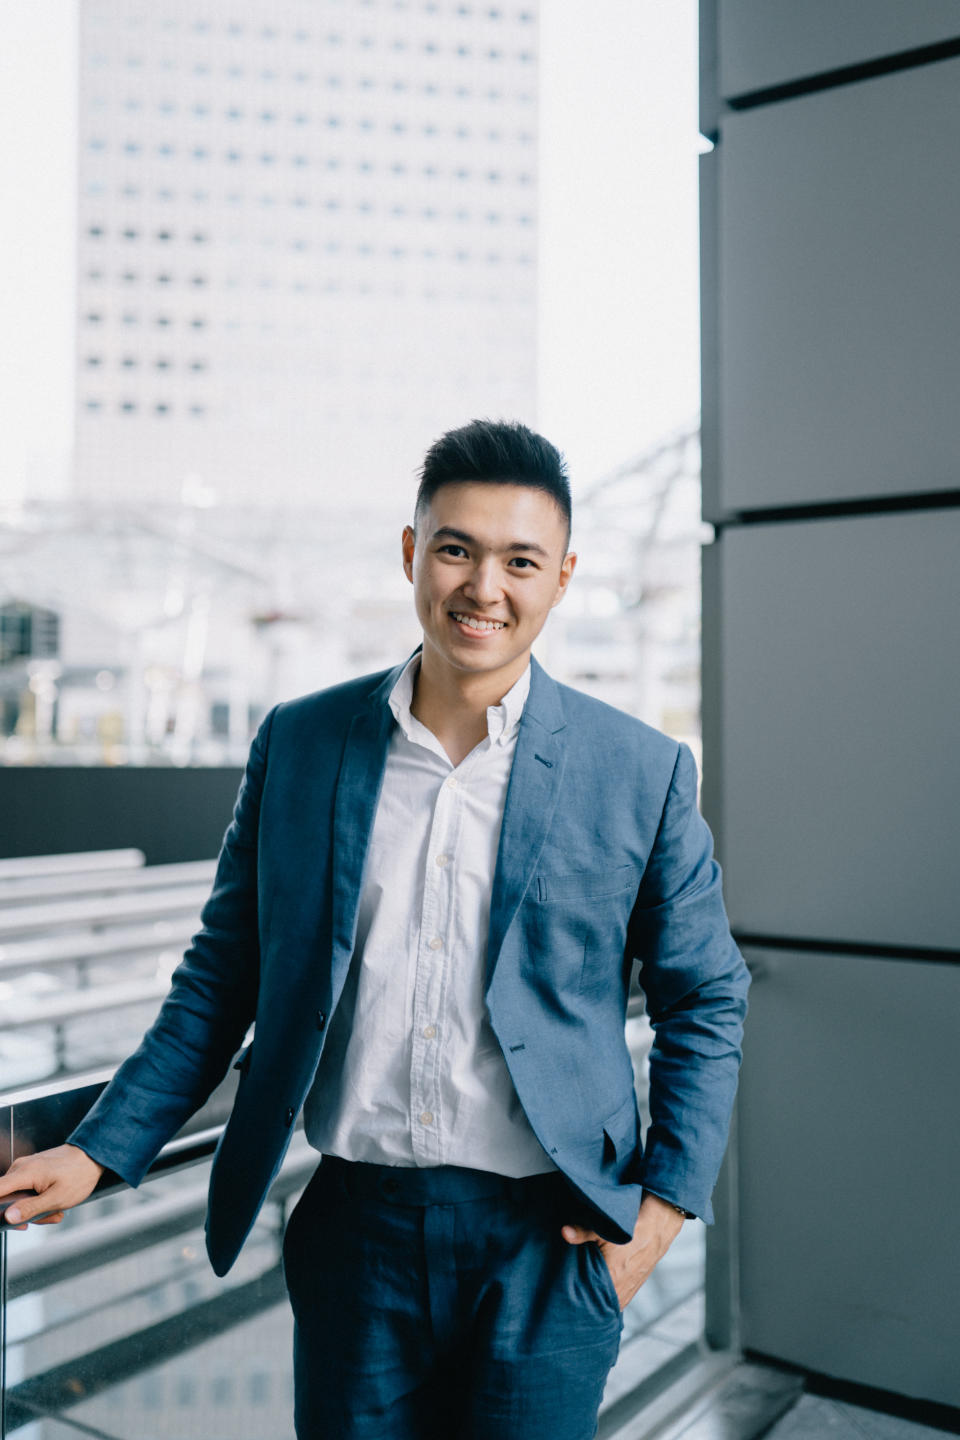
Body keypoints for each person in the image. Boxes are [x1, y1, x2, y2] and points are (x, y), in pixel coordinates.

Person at [0, 420, 749, 1439]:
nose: (486, 587)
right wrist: (98, 1150)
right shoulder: (301, 745)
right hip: (356, 1230)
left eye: (521, 560)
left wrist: (661, 1212)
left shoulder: (639, 771)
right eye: (457, 549)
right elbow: (222, 982)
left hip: (549, 1238)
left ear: (563, 577)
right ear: (412, 554)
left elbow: (707, 994)